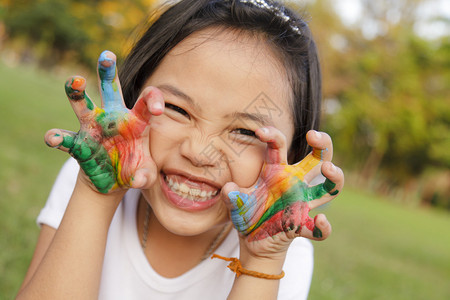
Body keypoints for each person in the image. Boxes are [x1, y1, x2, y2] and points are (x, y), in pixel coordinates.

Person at [17, 0, 344, 299]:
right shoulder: (91, 173)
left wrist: (262, 261)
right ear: (133, 99)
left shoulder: (282, 246)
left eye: (245, 131)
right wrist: (96, 197)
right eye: (176, 109)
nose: (199, 152)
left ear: (294, 150)